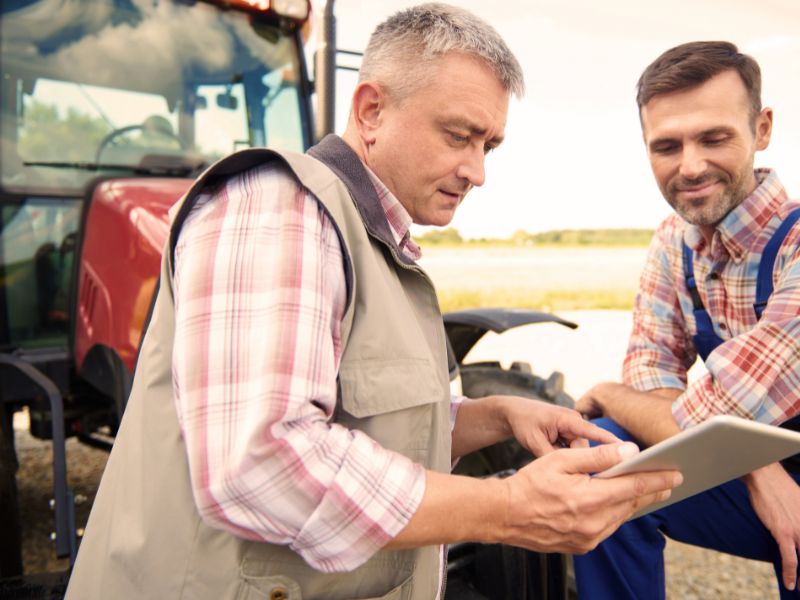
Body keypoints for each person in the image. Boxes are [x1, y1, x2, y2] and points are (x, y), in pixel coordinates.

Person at [65, 4, 679, 599]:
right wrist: (508, 508)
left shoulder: (373, 238)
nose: (476, 171)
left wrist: (496, 416)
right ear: (372, 110)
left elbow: (367, 421)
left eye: (487, 145)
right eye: (458, 135)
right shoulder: (277, 207)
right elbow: (261, 462)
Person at [574, 41, 800, 599]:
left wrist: (605, 389)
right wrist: (756, 468)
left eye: (714, 137)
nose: (690, 165)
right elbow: (651, 374)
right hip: (767, 473)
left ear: (762, 128)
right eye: (667, 146)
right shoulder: (674, 241)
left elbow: (718, 408)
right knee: (600, 458)